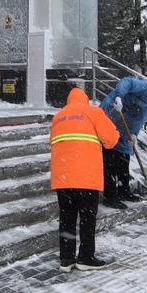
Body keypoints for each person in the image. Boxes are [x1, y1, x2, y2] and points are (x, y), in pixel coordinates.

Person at [50, 86, 121, 272]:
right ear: (85, 99)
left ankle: (66, 260)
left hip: (63, 179)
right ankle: (85, 258)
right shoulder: (92, 112)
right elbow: (111, 139)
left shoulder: (58, 117)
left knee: (67, 218)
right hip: (86, 178)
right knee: (87, 219)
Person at [99, 76, 147, 206]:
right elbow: (127, 82)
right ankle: (110, 197)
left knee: (123, 164)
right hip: (110, 122)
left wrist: (134, 135)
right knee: (110, 164)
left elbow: (138, 122)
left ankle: (124, 192)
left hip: (124, 135)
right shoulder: (145, 87)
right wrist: (119, 96)